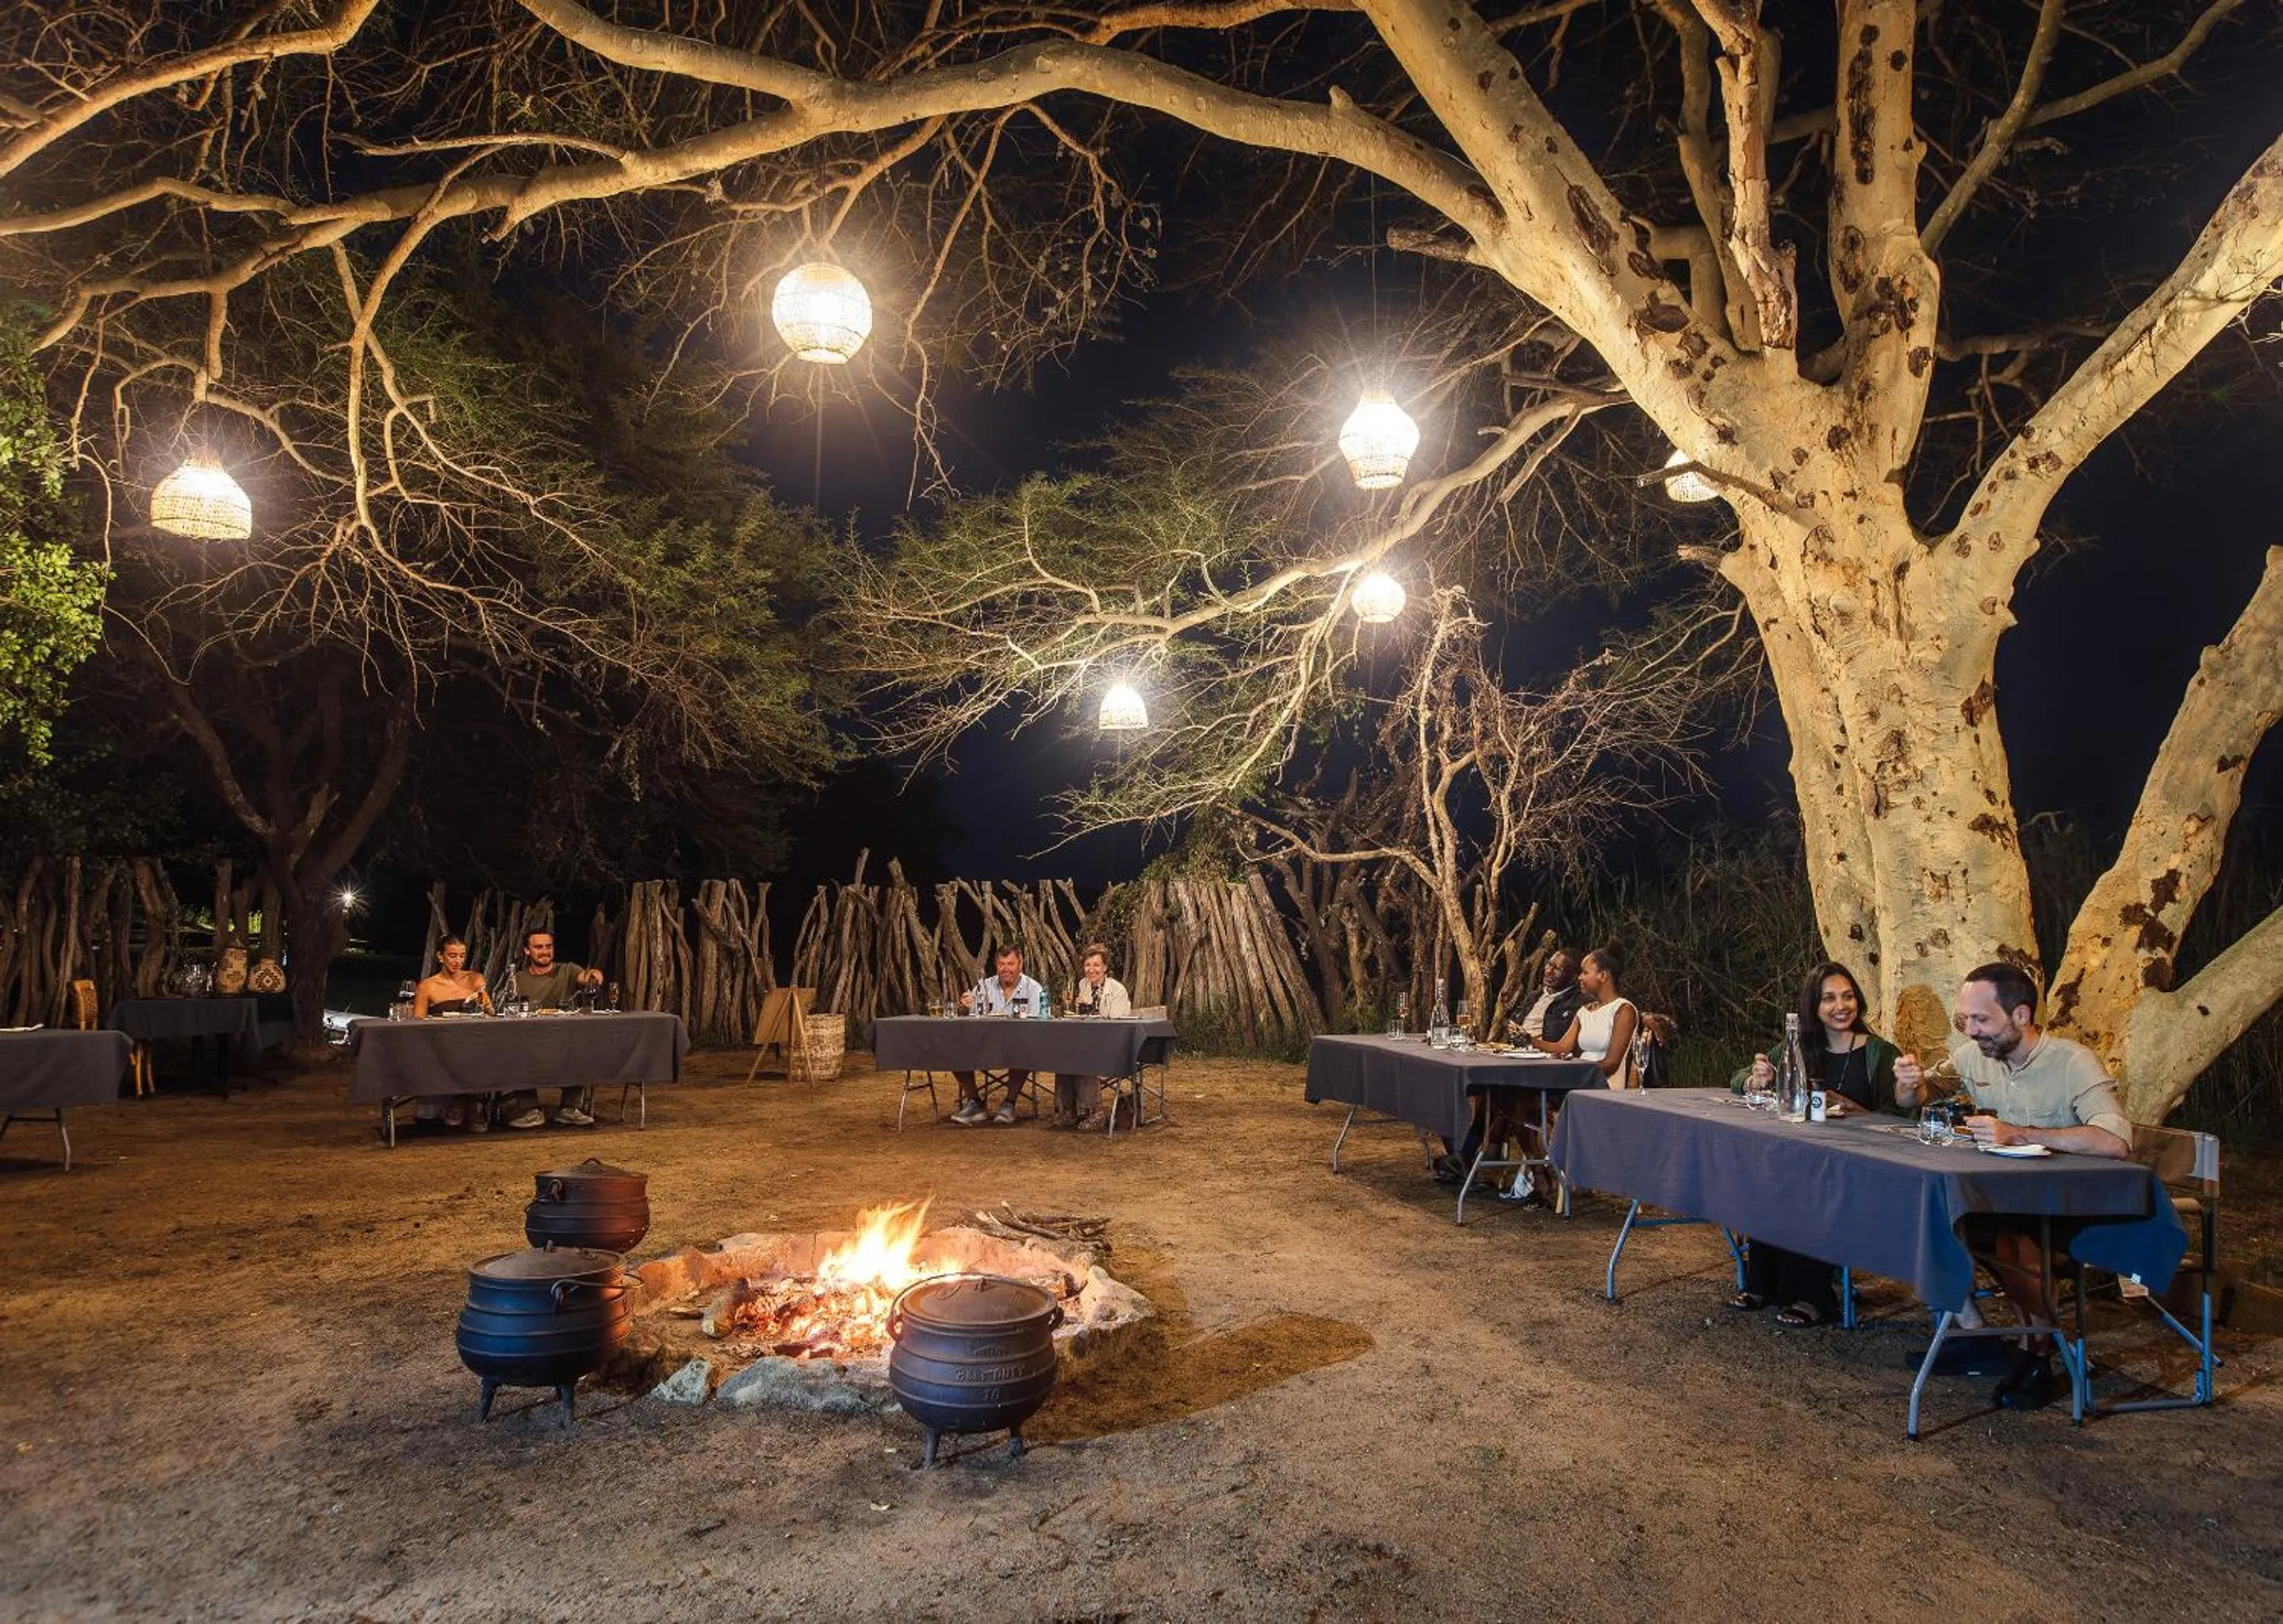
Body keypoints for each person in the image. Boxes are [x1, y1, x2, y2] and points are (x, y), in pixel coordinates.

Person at [1893, 960, 2134, 1411]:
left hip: (2070, 1207)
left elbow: (2116, 1141)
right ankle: (1976, 1335)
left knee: (2010, 1239)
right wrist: (1908, 1084)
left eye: (1981, 1020)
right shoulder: (1975, 1056)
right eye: (1965, 1020)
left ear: (2020, 1015)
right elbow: (1918, 1098)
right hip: (2003, 1198)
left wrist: (2019, 1134)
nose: (1971, 1031)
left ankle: (2036, 1354)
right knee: (1923, 1211)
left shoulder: (2072, 1062)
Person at [1726, 962, 1903, 1327]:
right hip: (1805, 1158)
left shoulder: (1881, 1053)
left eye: (1848, 997)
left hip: (1859, 1166)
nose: (1841, 1006)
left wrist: (1855, 1109)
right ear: (1814, 1006)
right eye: (1829, 999)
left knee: (1810, 1188)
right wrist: (1757, 1080)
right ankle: (1764, 1285)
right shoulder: (1799, 1048)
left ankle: (1815, 1297)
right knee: (1768, 1178)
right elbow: (1740, 1077)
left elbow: (1900, 1116)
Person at [1500, 946, 1638, 1206]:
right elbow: (1562, 1047)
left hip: (1601, 1087)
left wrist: (1571, 1069)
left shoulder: (1624, 1010)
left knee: (1523, 1099)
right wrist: (1530, 1040)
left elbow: (1611, 1064)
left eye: (1585, 972)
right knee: (1515, 1098)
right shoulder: (1585, 1011)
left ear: (1603, 976)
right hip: (1575, 1082)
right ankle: (1540, 1174)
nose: (1580, 977)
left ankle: (1544, 1174)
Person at [1432, 949, 1583, 1183]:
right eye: (1549, 964)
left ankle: (1470, 1155)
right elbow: (1514, 1028)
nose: (1549, 970)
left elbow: (1570, 1041)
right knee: (1456, 1083)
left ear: (1573, 976)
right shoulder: (1535, 996)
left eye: (1558, 968)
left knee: (1497, 1091)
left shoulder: (1578, 1003)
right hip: (1517, 1061)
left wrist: (1531, 1042)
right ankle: (1466, 1155)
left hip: (1544, 1072)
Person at [498, 928, 608, 1129]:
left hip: (563, 1040)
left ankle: (569, 1109)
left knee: (581, 1047)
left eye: (548, 946)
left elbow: (585, 976)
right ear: (527, 951)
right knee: (516, 1049)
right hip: (531, 1041)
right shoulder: (518, 980)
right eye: (538, 947)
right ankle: (530, 1110)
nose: (545, 951)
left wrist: (594, 974)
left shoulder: (567, 970)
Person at [951, 944, 1044, 1126]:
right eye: (1002, 964)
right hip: (985, 1045)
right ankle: (975, 1103)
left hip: (1019, 1046)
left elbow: (1036, 1026)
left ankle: (1009, 1103)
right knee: (955, 1050)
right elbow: (971, 1019)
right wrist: (964, 1006)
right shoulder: (984, 986)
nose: (1006, 968)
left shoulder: (1033, 989)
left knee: (1023, 1050)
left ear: (1020, 964)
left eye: (1011, 963)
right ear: (996, 965)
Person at [412, 936, 492, 1131]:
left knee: (478, 1052)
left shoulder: (475, 979)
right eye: (452, 956)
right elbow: (417, 1023)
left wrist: (483, 1000)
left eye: (462, 956)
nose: (458, 961)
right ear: (440, 957)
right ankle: (468, 1104)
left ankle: (463, 1103)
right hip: (441, 1044)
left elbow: (491, 1014)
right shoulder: (428, 986)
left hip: (472, 1041)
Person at [1057, 944, 1132, 1129]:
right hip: (1088, 1041)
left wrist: (1089, 1009)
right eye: (1088, 965)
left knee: (1086, 1057)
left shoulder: (1117, 990)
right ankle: (1069, 1110)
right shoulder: (1083, 985)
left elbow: (1116, 1023)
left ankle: (1095, 1112)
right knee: (1063, 1056)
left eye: (1097, 965)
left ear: (1105, 967)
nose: (1092, 970)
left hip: (1113, 1044)